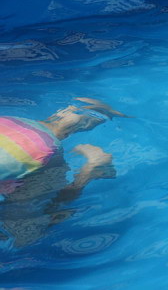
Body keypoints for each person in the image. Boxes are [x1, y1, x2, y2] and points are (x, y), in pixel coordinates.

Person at [0, 98, 125, 248]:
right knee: (47, 129)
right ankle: (70, 116)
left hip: (34, 154)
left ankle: (92, 170)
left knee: (24, 236)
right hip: (10, 125)